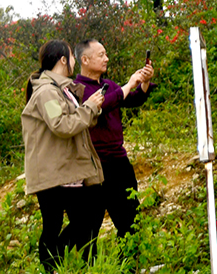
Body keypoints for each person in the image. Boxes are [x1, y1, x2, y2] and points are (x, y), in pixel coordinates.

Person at [22, 39, 105, 273]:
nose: (74, 61)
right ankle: (51, 266)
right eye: (71, 56)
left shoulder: (62, 89)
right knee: (54, 226)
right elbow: (61, 124)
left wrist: (91, 107)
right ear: (62, 60)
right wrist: (88, 106)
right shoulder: (46, 93)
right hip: (53, 175)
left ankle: (61, 265)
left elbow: (73, 121)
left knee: (81, 222)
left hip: (65, 172)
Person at [73, 39, 154, 242]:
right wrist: (128, 85)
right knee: (90, 223)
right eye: (101, 55)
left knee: (130, 215)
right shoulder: (77, 89)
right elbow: (103, 106)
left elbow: (132, 99)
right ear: (85, 59)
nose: (106, 59)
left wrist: (143, 81)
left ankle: (129, 263)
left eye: (106, 54)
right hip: (95, 164)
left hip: (119, 160)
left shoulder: (109, 85)